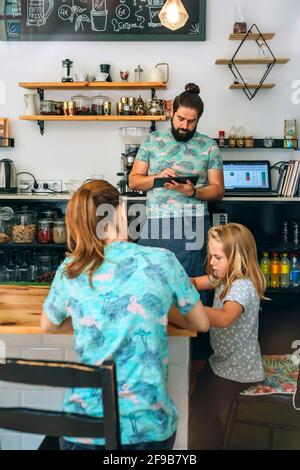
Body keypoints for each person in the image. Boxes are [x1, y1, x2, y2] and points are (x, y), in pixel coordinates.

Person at [41, 179, 210, 451]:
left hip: (84, 427)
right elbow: (201, 323)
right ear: (120, 212)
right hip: (149, 427)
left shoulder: (70, 269)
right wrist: (155, 305)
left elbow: (48, 324)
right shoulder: (162, 259)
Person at [169, 223, 266, 449]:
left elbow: (224, 317)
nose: (211, 262)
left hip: (238, 371)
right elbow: (194, 282)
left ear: (238, 258)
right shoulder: (222, 276)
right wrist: (173, 282)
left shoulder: (242, 286)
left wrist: (182, 309)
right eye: (211, 256)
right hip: (221, 363)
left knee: (198, 421)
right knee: (195, 409)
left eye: (217, 257)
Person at [129, 83, 224, 278]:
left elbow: (218, 190)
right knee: (151, 282)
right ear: (172, 111)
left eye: (191, 121)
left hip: (193, 224)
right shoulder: (152, 140)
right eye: (180, 119)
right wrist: (157, 177)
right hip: (156, 222)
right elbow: (134, 181)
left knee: (192, 283)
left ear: (198, 120)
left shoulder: (209, 146)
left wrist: (193, 192)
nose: (184, 126)